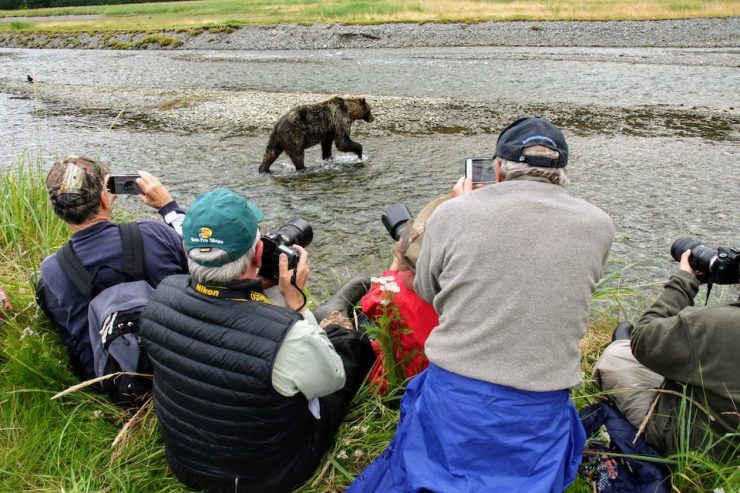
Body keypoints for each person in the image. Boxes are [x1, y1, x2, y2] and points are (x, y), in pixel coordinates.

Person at [348, 116, 615, 492]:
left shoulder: (454, 213)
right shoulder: (599, 223)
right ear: (560, 172)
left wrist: (460, 208)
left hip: (456, 397)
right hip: (542, 405)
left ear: (499, 168)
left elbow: (426, 290)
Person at [139, 188, 375, 493]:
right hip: (268, 476)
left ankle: (335, 313)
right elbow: (332, 380)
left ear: (187, 251)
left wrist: (257, 288)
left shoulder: (161, 296)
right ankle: (359, 326)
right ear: (260, 254)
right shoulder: (288, 336)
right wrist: (296, 302)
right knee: (349, 351)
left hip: (186, 465)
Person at [36, 155, 188, 381]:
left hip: (109, 382)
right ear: (105, 199)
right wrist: (168, 206)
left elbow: (69, 333)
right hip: (178, 366)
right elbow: (198, 254)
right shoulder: (155, 233)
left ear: (56, 209)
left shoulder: (52, 270)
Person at [593, 249, 740, 459]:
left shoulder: (720, 324)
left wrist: (684, 282)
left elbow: (643, 339)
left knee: (616, 357)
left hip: (699, 448)